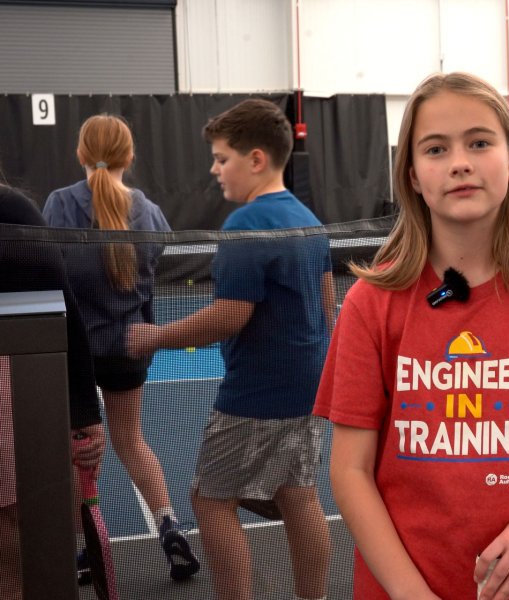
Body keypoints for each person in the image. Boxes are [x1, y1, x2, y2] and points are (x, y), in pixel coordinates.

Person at [313, 71, 509, 600]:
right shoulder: (371, 305)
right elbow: (349, 471)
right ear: (413, 176)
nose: (459, 161)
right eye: (435, 149)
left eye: (479, 142)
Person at [127, 98, 335, 600]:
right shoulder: (310, 220)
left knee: (209, 500)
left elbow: (228, 316)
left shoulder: (244, 227)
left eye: (222, 158)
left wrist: (155, 336)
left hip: (255, 397)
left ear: (257, 160)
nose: (215, 169)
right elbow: (330, 306)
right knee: (298, 495)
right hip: (308, 392)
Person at [42, 114, 200, 582]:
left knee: (76, 451)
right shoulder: (149, 212)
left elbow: (50, 266)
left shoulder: (59, 204)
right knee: (131, 441)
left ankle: (83, 548)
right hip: (129, 346)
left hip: (75, 352)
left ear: (80, 154)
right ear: (130, 157)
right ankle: (169, 525)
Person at [0, 184, 106, 600]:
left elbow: (62, 308)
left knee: (28, 559)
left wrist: (83, 414)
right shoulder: (15, 207)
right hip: (31, 400)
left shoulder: (11, 209)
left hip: (24, 397)